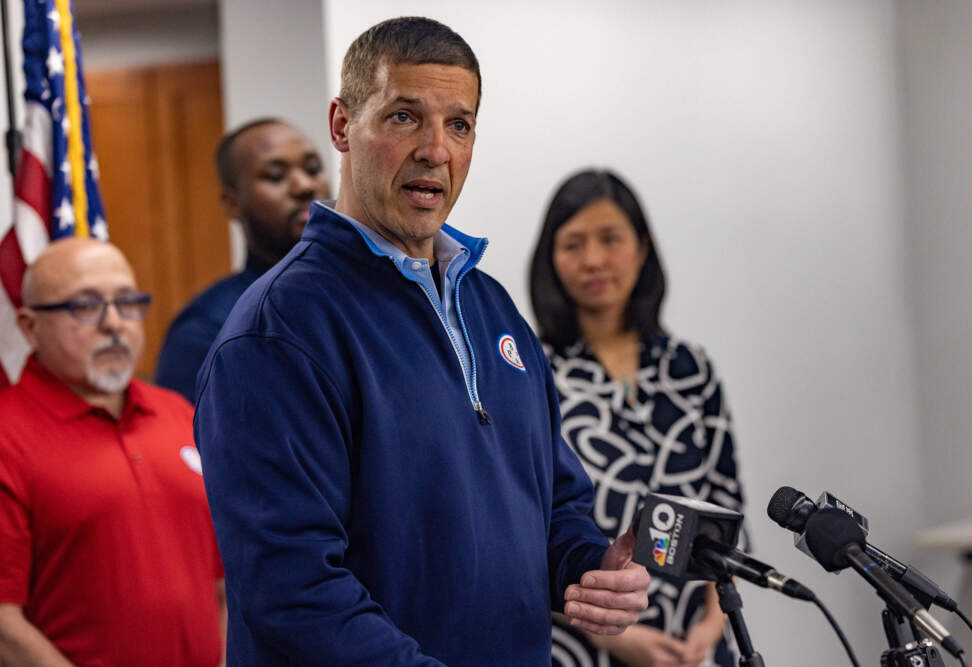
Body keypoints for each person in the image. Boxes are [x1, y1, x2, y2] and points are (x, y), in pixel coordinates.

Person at [195, 17, 650, 667]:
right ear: (341, 125)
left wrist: (592, 567)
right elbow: (293, 592)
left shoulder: (491, 306)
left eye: (459, 124)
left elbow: (553, 503)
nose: (436, 149)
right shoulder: (277, 332)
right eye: (405, 116)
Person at [529, 169, 746, 667]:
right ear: (551, 259)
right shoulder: (532, 372)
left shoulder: (691, 369)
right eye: (573, 244)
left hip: (696, 646)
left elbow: (727, 508)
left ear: (642, 248)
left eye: (611, 239)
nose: (594, 260)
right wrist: (615, 636)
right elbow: (528, 536)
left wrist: (710, 630)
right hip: (583, 644)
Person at [0, 238, 225, 667]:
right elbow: (3, 625)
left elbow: (224, 579)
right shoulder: (7, 437)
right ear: (30, 328)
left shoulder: (180, 414)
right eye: (85, 307)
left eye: (127, 302)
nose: (114, 324)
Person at [155, 117, 330, 403]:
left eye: (313, 169)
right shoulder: (208, 329)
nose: (305, 186)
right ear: (232, 204)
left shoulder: (373, 291)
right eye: (275, 176)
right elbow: (184, 441)